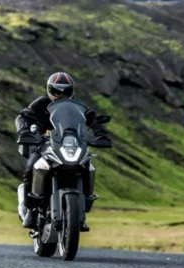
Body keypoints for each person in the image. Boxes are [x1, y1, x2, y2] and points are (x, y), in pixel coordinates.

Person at [14, 72, 111, 230]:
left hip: (71, 144)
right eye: (56, 91)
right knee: (31, 168)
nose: (61, 95)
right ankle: (31, 210)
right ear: (49, 90)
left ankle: (81, 212)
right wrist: (25, 131)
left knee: (87, 166)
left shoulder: (78, 106)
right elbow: (24, 116)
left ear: (71, 91)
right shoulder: (40, 103)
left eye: (66, 92)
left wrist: (101, 132)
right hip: (44, 144)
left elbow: (93, 117)